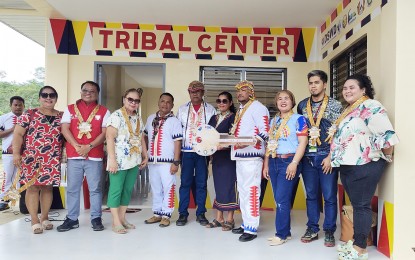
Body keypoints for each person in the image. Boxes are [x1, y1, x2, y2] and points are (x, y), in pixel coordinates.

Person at [330, 75, 399, 260]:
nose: (347, 91)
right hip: (348, 165)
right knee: (357, 205)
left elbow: (387, 135)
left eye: (352, 87)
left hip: (365, 163)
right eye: (344, 88)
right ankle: (356, 241)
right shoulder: (349, 110)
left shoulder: (371, 106)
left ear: (363, 90)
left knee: (361, 206)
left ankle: (360, 248)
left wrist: (385, 158)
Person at [297, 70, 342, 247]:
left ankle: (329, 230)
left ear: (324, 84)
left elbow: (339, 134)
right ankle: (312, 228)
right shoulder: (301, 105)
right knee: (311, 195)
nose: (313, 86)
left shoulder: (335, 105)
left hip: (326, 157)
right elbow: (299, 132)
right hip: (308, 158)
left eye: (316, 82)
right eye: (310, 83)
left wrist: (331, 156)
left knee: (330, 196)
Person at [57, 81, 110, 232]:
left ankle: (96, 218)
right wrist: (76, 146)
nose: (88, 93)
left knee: (95, 189)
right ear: (80, 92)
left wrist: (90, 146)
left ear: (97, 94)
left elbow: (105, 132)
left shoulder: (104, 111)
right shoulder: (70, 109)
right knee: (73, 189)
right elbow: (65, 129)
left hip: (94, 155)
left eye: (92, 91)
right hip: (74, 155)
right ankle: (72, 219)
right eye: (85, 90)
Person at [12, 86, 63, 234]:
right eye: (45, 95)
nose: (48, 97)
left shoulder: (61, 116)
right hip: (31, 158)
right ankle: (34, 220)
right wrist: (16, 153)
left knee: (48, 188)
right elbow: (18, 134)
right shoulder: (30, 114)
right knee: (33, 188)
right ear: (39, 98)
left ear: (56, 98)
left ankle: (45, 217)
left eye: (52, 95)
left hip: (52, 158)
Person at [263, 90, 308, 246]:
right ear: (276, 102)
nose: (283, 101)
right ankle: (286, 232)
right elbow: (269, 144)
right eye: (279, 99)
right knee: (279, 199)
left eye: (286, 98)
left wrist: (294, 163)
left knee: (282, 199)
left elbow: (303, 142)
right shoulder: (273, 121)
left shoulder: (299, 119)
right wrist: (266, 164)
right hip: (274, 161)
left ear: (292, 101)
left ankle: (280, 234)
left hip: (288, 161)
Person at [230, 81, 269, 242]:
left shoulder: (258, 107)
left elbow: (265, 132)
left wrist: (247, 142)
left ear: (251, 92)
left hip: (252, 156)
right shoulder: (241, 109)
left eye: (244, 90)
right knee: (243, 191)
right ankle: (247, 223)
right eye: (238, 91)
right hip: (240, 156)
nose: (240, 93)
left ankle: (252, 228)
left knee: (252, 191)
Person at [106, 88, 148, 234]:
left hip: (134, 160)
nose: (133, 103)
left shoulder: (138, 117)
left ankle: (122, 218)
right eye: (130, 99)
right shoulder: (116, 116)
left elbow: (141, 137)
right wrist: (112, 160)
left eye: (136, 100)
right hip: (118, 160)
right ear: (124, 99)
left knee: (127, 190)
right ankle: (115, 222)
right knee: (116, 190)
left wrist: (145, 155)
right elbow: (109, 137)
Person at [175, 81, 216, 226]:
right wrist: (177, 155)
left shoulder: (210, 110)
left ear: (203, 93)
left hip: (203, 152)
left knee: (201, 183)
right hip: (186, 151)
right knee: (185, 183)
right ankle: (182, 214)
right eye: (192, 92)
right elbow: (178, 133)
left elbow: (213, 132)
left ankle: (201, 213)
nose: (195, 94)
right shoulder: (182, 110)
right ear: (189, 93)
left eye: (198, 91)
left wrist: (211, 153)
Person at [144, 93, 182, 228]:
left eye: (168, 102)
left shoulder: (175, 121)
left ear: (172, 105)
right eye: (162, 101)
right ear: (158, 102)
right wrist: (145, 154)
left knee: (169, 187)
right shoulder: (150, 119)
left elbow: (178, 142)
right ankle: (157, 213)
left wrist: (176, 162)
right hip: (152, 162)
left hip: (167, 162)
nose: (164, 104)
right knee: (155, 188)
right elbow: (145, 137)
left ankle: (166, 215)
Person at [205, 91, 239, 231]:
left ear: (230, 103)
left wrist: (222, 144)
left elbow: (235, 137)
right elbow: (207, 134)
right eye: (219, 101)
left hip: (229, 157)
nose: (221, 103)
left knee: (229, 186)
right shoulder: (213, 118)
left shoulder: (234, 118)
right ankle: (219, 218)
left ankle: (230, 219)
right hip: (217, 157)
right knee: (218, 187)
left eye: (225, 101)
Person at [0, 96, 25, 211]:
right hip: (8, 152)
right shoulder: (4, 118)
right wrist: (13, 129)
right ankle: (3, 201)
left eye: (20, 105)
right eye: (15, 105)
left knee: (21, 177)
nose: (18, 107)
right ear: (11, 105)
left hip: (24, 152)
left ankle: (22, 203)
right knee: (8, 176)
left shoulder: (27, 118)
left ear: (23, 106)